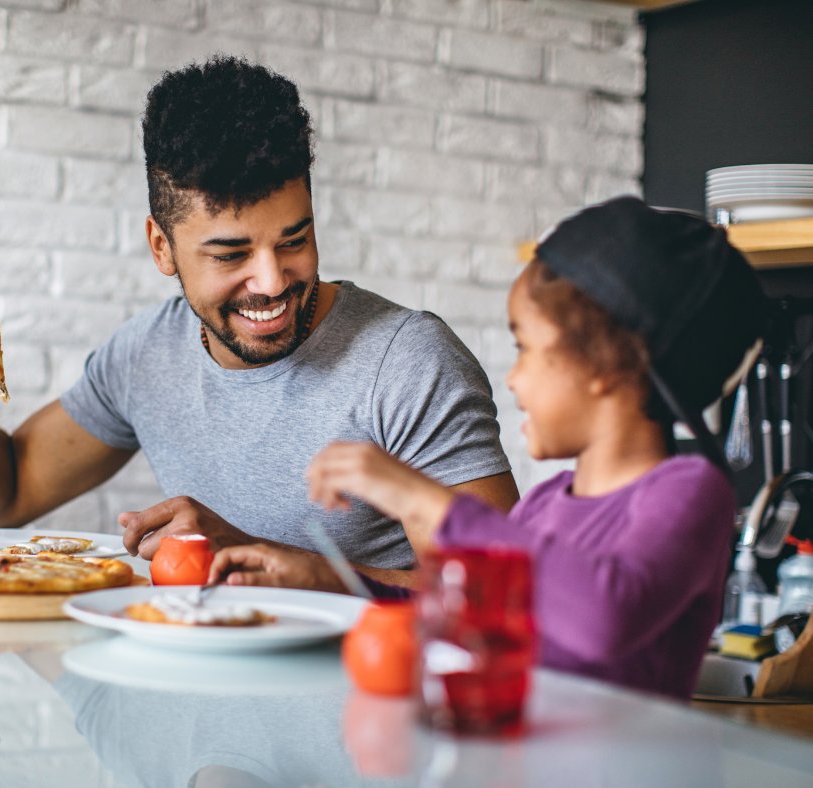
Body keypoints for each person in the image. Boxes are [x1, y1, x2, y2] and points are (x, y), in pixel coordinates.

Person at [0, 55, 518, 586]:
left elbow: (505, 590)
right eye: (231, 254)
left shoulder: (409, 361)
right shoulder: (147, 353)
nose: (272, 281)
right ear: (161, 248)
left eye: (294, 240)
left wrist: (301, 569)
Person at [209, 196, 767, 699]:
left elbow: (604, 616)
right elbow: (466, 615)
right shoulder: (546, 503)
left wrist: (418, 496)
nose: (514, 379)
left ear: (604, 363)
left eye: (526, 348)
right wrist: (327, 580)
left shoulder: (691, 492)